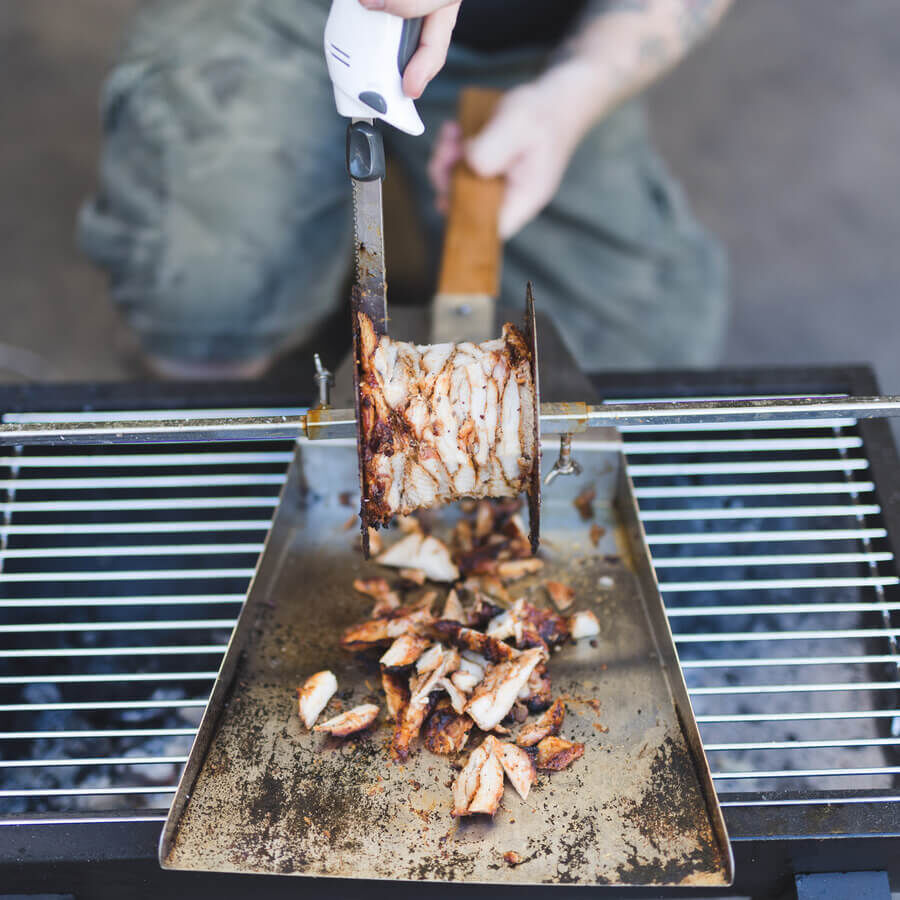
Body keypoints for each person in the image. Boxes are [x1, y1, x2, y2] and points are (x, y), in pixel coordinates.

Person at [79, 0, 731, 379]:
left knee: (634, 361)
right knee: (202, 293)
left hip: (539, 41)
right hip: (279, 13)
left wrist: (574, 95)